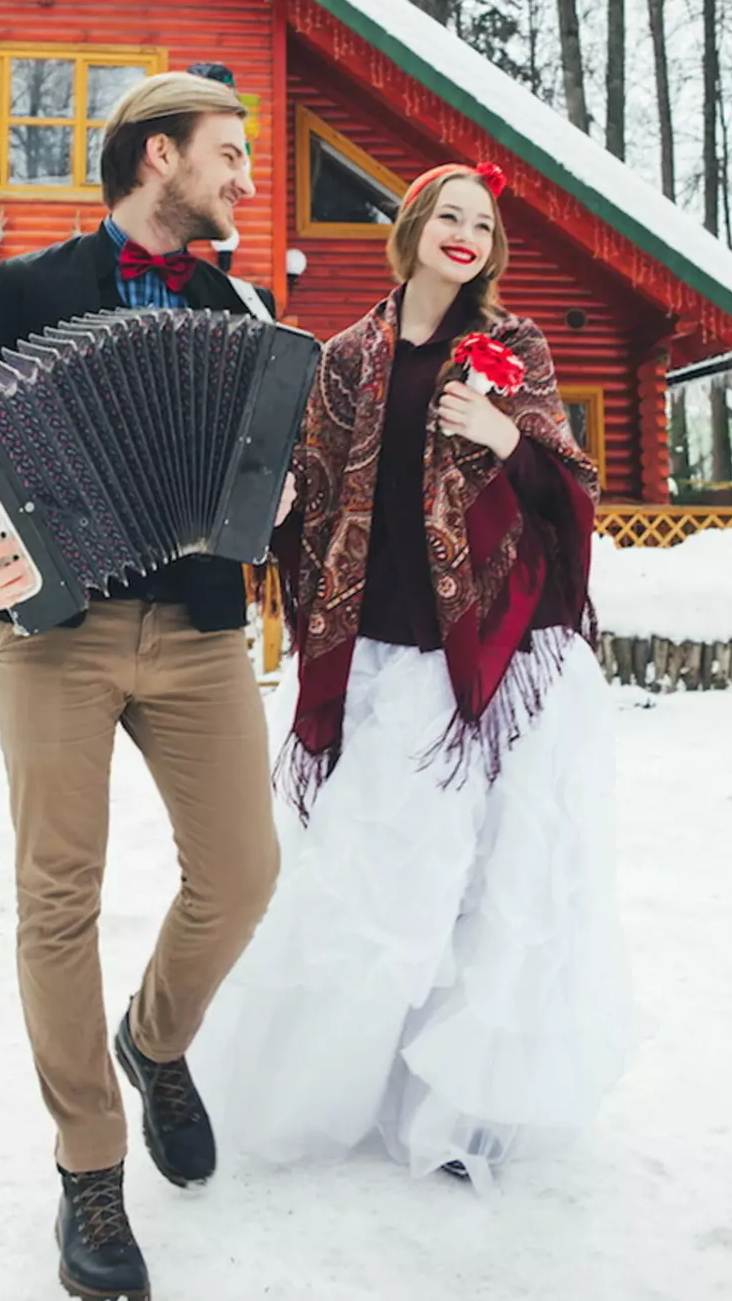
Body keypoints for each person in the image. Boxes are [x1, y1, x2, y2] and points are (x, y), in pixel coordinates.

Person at [0, 71, 290, 1301]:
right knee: (55, 899)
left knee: (242, 873)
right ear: (158, 156)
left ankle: (157, 1039)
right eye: (227, 153)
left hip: (196, 633)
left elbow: (258, 485)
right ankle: (89, 1169)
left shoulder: (243, 307)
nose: (244, 176)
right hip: (53, 634)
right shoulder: (23, 294)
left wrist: (271, 505)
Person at [201, 158, 632, 1192]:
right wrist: (275, 514)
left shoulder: (513, 350)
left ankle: (457, 1118)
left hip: (497, 658)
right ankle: (343, 1092)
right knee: (377, 879)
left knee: (490, 886)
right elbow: (309, 481)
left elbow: (571, 492)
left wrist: (509, 439)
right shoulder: (348, 354)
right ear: (412, 229)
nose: (466, 233)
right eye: (449, 214)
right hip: (389, 654)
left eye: (482, 223)